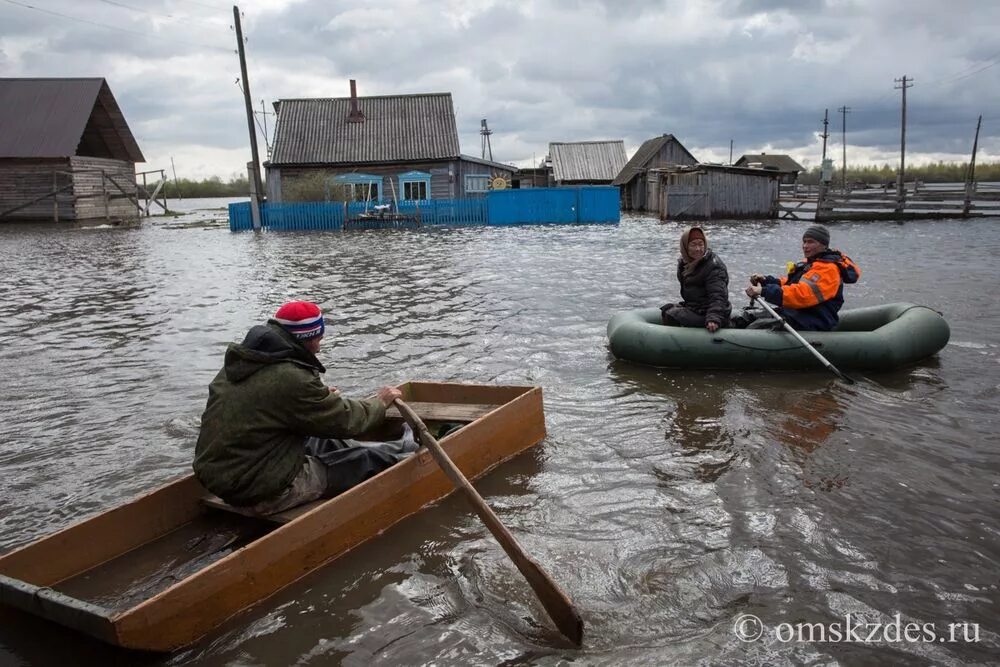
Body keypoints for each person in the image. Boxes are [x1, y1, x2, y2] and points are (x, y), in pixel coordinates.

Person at [193, 300, 418, 516]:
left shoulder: (241, 365)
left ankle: (399, 446)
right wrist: (379, 402)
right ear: (307, 339)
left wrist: (314, 400)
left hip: (223, 481)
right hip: (263, 491)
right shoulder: (291, 378)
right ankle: (408, 455)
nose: (319, 348)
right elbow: (346, 421)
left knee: (320, 439)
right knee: (362, 460)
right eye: (318, 340)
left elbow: (271, 404)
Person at [738, 225, 861, 331]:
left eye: (811, 242)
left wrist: (764, 291)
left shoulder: (828, 269)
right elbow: (791, 283)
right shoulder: (812, 263)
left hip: (813, 320)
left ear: (823, 245)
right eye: (804, 241)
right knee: (748, 316)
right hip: (797, 314)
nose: (805, 246)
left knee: (756, 327)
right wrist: (767, 281)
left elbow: (803, 295)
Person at [659, 226, 732, 332]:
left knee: (672, 314)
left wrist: (714, 318)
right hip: (697, 308)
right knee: (666, 308)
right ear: (685, 247)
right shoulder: (685, 264)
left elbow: (718, 296)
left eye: (701, 244)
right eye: (693, 245)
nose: (698, 249)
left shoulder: (713, 267)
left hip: (711, 313)